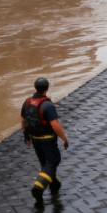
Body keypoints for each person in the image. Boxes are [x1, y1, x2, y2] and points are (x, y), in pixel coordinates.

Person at [21, 76, 69, 206]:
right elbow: (55, 125)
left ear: (35, 88)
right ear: (46, 89)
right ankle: (38, 187)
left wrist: (26, 136)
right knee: (53, 161)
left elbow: (23, 120)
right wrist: (64, 138)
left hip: (35, 140)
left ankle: (54, 185)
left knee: (45, 164)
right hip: (48, 140)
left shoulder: (27, 102)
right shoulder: (47, 105)